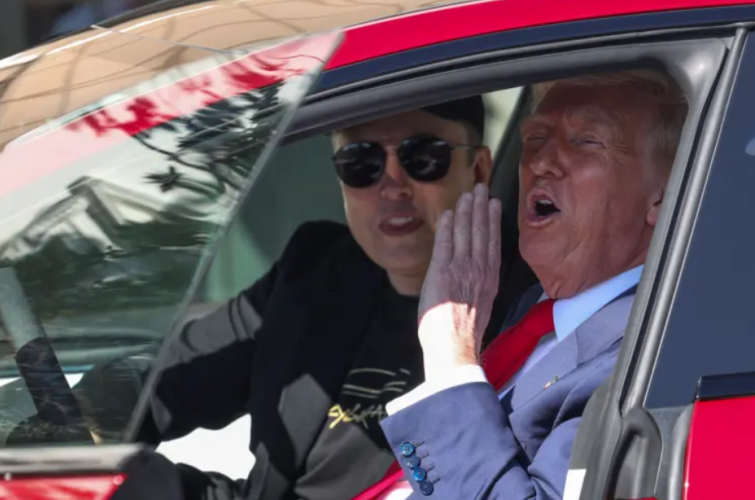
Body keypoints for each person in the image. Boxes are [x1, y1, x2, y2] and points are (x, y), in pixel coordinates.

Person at [76, 97, 492, 500]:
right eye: (360, 162)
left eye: (422, 157)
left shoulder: (519, 313)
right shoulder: (315, 268)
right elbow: (172, 378)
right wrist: (80, 415)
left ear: (478, 170)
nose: (392, 185)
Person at [361, 70, 688, 499]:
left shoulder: (645, 361)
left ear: (663, 195)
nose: (539, 163)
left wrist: (449, 354)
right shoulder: (534, 310)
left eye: (586, 141)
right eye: (535, 139)